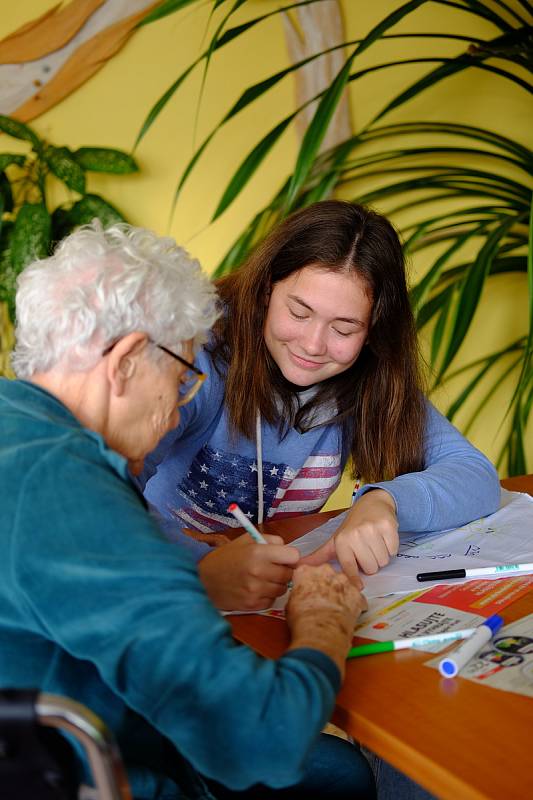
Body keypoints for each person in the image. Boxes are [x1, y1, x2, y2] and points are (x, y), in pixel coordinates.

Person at [0, 221, 375, 800]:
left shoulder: (14, 422)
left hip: (53, 738)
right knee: (336, 775)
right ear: (125, 361)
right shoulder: (75, 495)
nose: (178, 416)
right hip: (89, 772)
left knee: (337, 772)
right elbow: (261, 737)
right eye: (180, 381)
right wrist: (324, 625)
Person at [141, 200, 500, 606]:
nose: (313, 345)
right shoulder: (198, 353)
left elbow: (476, 475)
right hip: (158, 585)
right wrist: (196, 566)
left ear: (373, 331)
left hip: (263, 601)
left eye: (344, 328)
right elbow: (102, 484)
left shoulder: (368, 375)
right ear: (265, 291)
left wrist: (386, 502)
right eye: (299, 312)